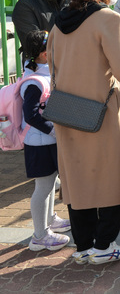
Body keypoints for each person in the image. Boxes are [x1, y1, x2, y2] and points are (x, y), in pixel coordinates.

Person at [48, 0, 120, 264]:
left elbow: (53, 70)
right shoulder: (107, 19)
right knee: (113, 178)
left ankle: (84, 246)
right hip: (102, 114)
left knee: (78, 180)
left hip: (67, 113)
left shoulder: (58, 24)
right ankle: (104, 247)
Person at [21, 30, 72, 252]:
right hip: (39, 143)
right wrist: (53, 131)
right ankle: (39, 236)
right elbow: (31, 115)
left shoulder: (41, 74)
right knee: (42, 187)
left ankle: (49, 220)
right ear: (43, 53)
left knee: (50, 183)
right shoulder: (34, 82)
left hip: (46, 141)